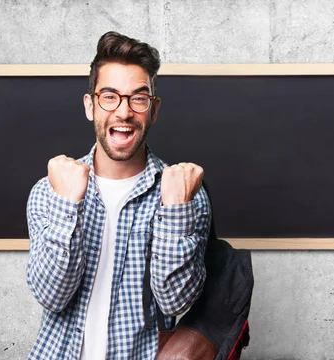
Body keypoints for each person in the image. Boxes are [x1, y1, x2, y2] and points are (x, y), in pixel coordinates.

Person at [25, 31, 212, 360]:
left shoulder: (186, 195)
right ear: (90, 106)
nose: (124, 112)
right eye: (109, 97)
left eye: (138, 98)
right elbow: (51, 295)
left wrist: (176, 210)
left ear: (153, 110)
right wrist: (68, 204)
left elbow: (175, 301)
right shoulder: (49, 191)